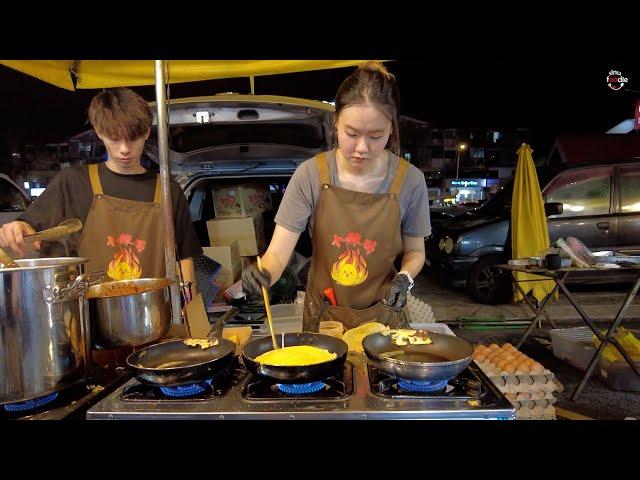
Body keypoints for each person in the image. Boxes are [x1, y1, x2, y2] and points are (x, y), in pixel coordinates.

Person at [0, 87, 202, 364]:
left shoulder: (167, 191)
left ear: (146, 133)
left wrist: (193, 321)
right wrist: (17, 228)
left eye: (132, 138)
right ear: (97, 130)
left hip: (152, 334)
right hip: (87, 338)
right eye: (113, 137)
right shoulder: (73, 182)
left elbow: (184, 260)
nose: (124, 149)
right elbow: (31, 230)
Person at [242, 62, 430, 332]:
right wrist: (263, 273)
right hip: (324, 316)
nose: (362, 148)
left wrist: (405, 277)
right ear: (336, 123)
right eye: (351, 134)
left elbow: (415, 252)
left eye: (376, 136)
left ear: (392, 129)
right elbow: (278, 254)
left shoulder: (411, 181)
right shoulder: (310, 175)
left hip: (385, 316)